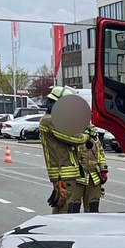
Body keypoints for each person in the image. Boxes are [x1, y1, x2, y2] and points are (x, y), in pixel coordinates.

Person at [39, 86, 86, 214]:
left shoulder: (51, 119)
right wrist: (86, 135)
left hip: (65, 172)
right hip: (63, 171)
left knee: (63, 206)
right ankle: (58, 233)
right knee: (63, 209)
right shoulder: (51, 120)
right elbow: (74, 138)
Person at [74, 126, 108, 213]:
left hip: (94, 176)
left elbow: (100, 153)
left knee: (93, 206)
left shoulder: (93, 134)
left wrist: (103, 170)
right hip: (77, 176)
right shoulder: (72, 133)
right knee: (74, 205)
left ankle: (91, 225)